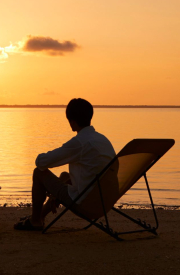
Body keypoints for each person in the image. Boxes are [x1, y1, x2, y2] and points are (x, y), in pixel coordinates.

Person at [14, 98, 117, 231]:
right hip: (104, 202)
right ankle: (40, 216)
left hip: (85, 204)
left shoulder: (79, 143)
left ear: (72, 122)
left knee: (39, 172)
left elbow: (41, 162)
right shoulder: (103, 139)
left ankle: (35, 221)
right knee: (64, 176)